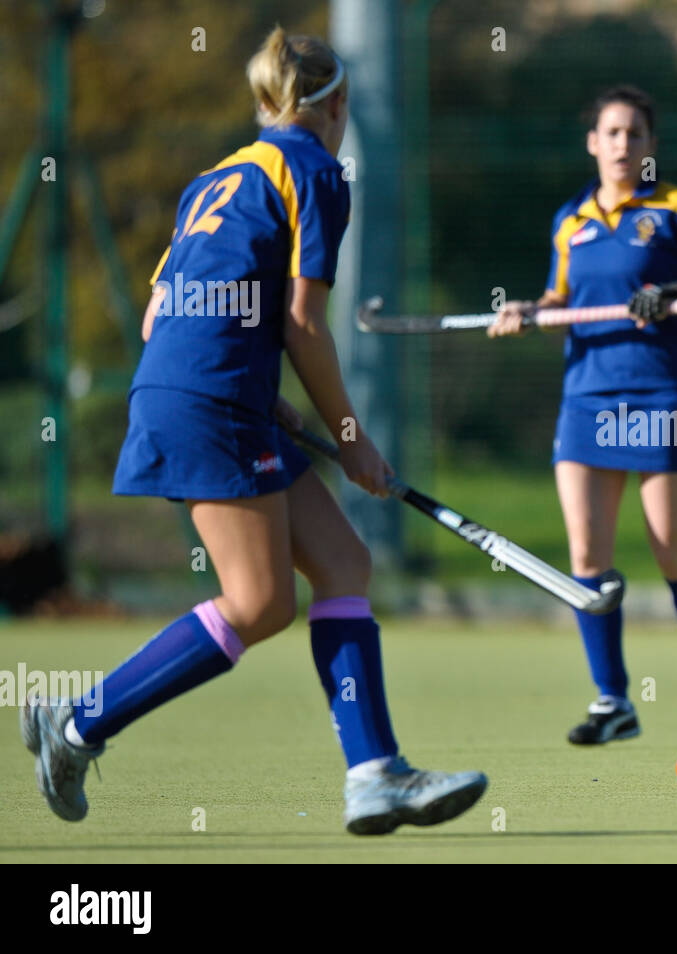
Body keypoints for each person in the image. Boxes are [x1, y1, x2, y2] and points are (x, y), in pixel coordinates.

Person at [20, 28, 487, 833]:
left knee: (343, 562)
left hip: (192, 388)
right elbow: (305, 324)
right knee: (260, 601)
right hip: (210, 401)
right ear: (337, 103)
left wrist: (258, 388)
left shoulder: (214, 178)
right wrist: (349, 438)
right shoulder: (317, 173)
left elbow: (158, 314)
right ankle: (77, 724)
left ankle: (376, 773)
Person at [489, 85, 677, 746]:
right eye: (611, 133)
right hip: (587, 397)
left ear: (650, 146)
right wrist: (528, 313)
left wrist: (676, 290)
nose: (622, 145)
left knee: (671, 550)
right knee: (588, 555)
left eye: (635, 134)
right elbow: (561, 298)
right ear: (593, 142)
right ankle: (613, 700)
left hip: (663, 394)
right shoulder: (570, 220)